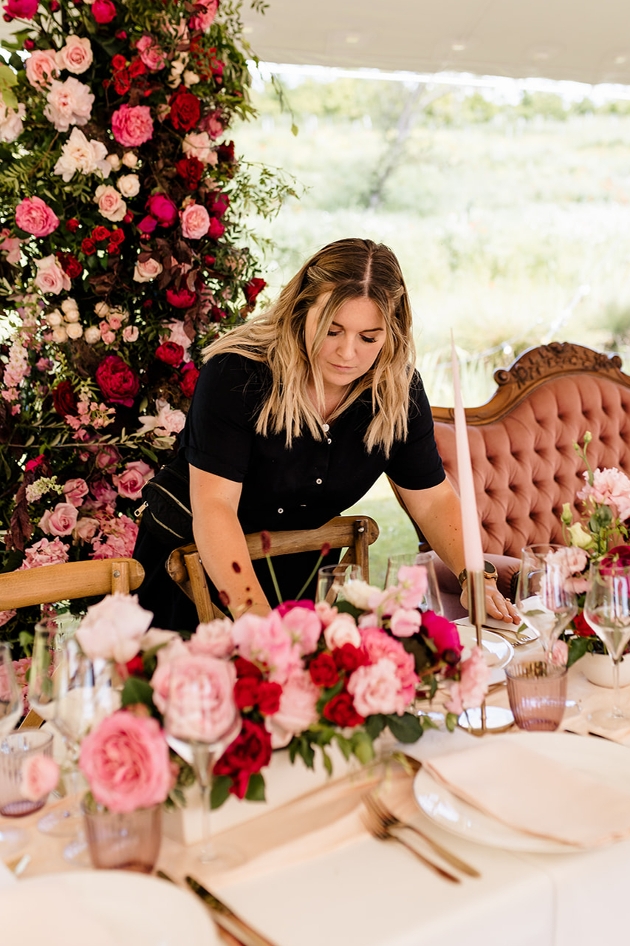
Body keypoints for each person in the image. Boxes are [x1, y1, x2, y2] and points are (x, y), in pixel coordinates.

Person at [134, 237, 518, 629]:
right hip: (191, 570)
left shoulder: (397, 391)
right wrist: (258, 622)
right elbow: (215, 508)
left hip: (300, 577)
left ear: (394, 332)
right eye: (332, 330)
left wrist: (474, 576)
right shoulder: (238, 374)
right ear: (302, 309)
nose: (347, 353)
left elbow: (433, 500)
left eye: (369, 337)